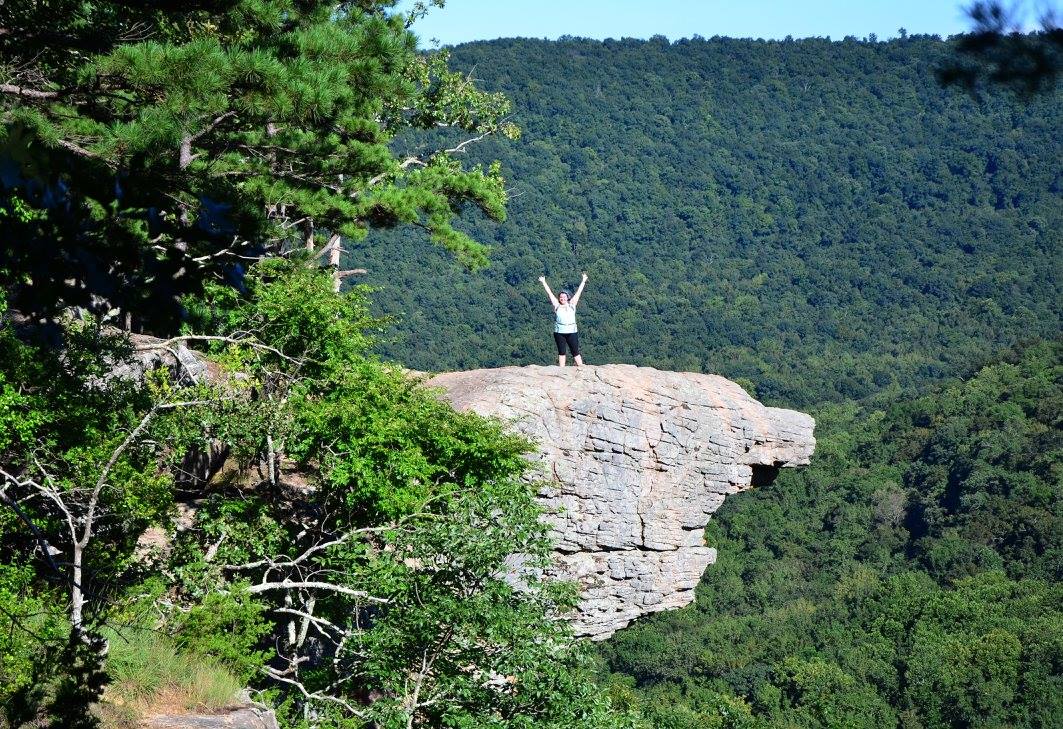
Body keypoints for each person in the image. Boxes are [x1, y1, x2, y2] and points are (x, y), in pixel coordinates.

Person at [538, 272, 588, 367]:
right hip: (559, 332)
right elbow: (550, 294)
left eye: (564, 297)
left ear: (568, 298)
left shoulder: (572, 304)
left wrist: (583, 281)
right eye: (561, 297)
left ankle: (581, 367)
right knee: (561, 352)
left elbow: (578, 292)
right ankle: (562, 370)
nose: (562, 298)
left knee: (575, 351)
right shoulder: (557, 305)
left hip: (571, 331)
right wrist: (543, 282)